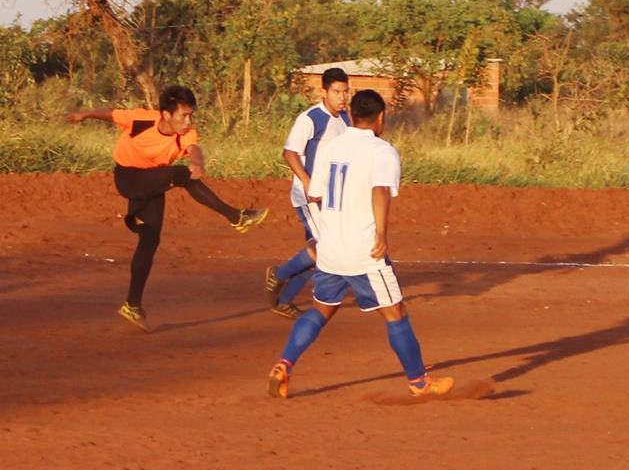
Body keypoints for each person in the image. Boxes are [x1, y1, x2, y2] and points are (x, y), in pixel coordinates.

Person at [267, 89, 454, 399]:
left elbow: (315, 193)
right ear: (381, 118)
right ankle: (419, 382)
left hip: (330, 247)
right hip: (363, 250)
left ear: (351, 116)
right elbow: (380, 191)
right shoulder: (382, 151)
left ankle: (284, 365)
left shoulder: (332, 147)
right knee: (395, 313)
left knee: (321, 310)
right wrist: (381, 235)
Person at [65, 85, 269, 332]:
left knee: (149, 240)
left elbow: (195, 149)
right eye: (183, 115)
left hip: (154, 180)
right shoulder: (141, 119)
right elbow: (111, 113)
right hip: (129, 177)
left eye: (191, 115)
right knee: (181, 174)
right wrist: (85, 114)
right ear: (166, 115)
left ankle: (133, 305)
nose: (188, 120)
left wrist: (197, 162)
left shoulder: (186, 133)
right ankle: (236, 216)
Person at [263, 67, 351, 319]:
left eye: (345, 91)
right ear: (324, 92)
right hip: (308, 196)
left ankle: (284, 298)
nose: (342, 97)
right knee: (327, 245)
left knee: (319, 249)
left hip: (330, 198)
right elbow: (290, 152)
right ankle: (278, 276)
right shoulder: (311, 118)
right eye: (336, 92)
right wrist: (307, 182)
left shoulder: (345, 120)